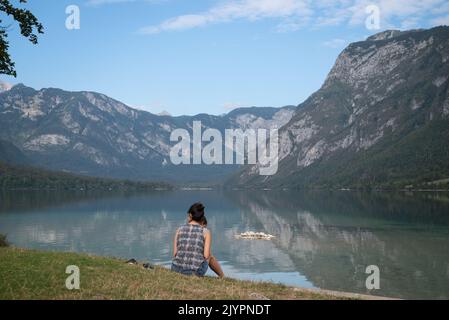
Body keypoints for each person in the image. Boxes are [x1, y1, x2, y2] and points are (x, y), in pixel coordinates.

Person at [171, 203, 224, 278]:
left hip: (175, 269)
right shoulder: (205, 232)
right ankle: (222, 276)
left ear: (190, 215)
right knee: (210, 256)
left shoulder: (179, 230)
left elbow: (175, 253)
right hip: (193, 273)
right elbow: (206, 255)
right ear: (202, 217)